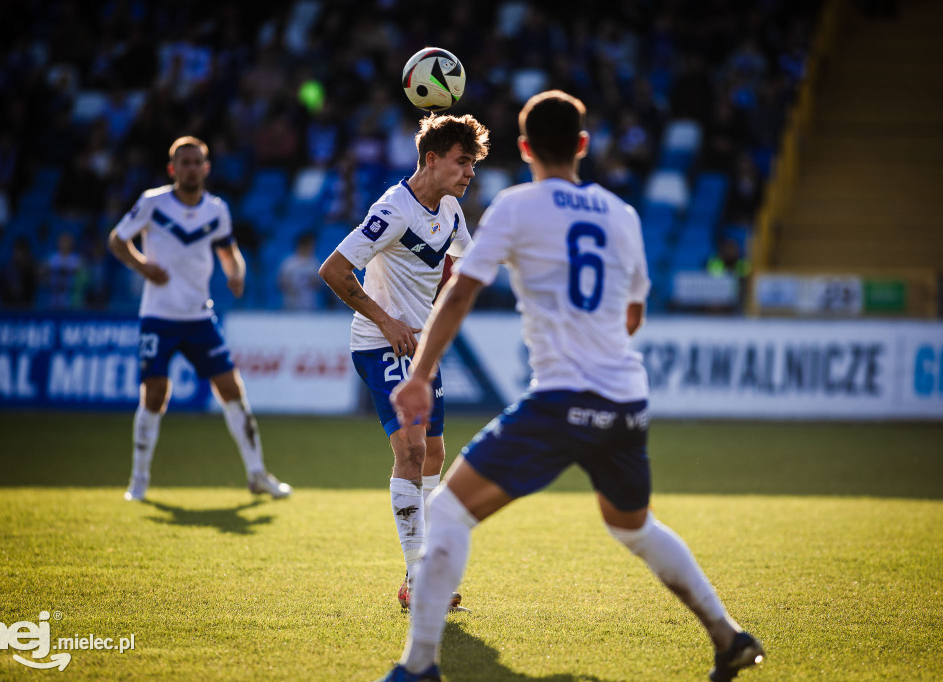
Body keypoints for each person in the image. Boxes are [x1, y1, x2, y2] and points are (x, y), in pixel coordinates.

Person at [378, 91, 764, 682]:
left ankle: (419, 666)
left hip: (563, 399)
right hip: (627, 401)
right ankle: (728, 635)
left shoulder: (515, 206)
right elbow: (632, 316)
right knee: (634, 526)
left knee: (449, 512)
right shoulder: (623, 214)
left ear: (526, 147)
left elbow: (459, 293)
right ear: (583, 146)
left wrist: (421, 377)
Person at [319, 113, 490, 610]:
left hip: (420, 352)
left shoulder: (452, 211)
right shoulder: (392, 209)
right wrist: (388, 321)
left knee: (435, 455)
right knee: (412, 453)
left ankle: (426, 566)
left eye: (473, 164)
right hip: (380, 344)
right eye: (463, 162)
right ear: (431, 160)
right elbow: (333, 270)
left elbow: (466, 265)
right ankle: (419, 580)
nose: (469, 173)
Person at [108, 135, 291, 502]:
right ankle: (139, 479)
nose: (191, 168)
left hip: (198, 317)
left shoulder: (216, 210)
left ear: (207, 168)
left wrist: (236, 272)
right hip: (158, 316)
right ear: (172, 168)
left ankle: (257, 474)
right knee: (155, 394)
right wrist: (142, 266)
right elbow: (117, 239)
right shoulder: (152, 203)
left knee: (231, 390)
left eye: (197, 162)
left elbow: (229, 252)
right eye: (184, 162)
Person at [277, 231, 322, 310]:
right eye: (310, 246)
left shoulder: (314, 263)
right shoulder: (289, 262)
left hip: (310, 306)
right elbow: (280, 283)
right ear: (302, 245)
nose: (312, 248)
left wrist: (312, 281)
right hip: (290, 305)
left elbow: (319, 285)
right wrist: (291, 286)